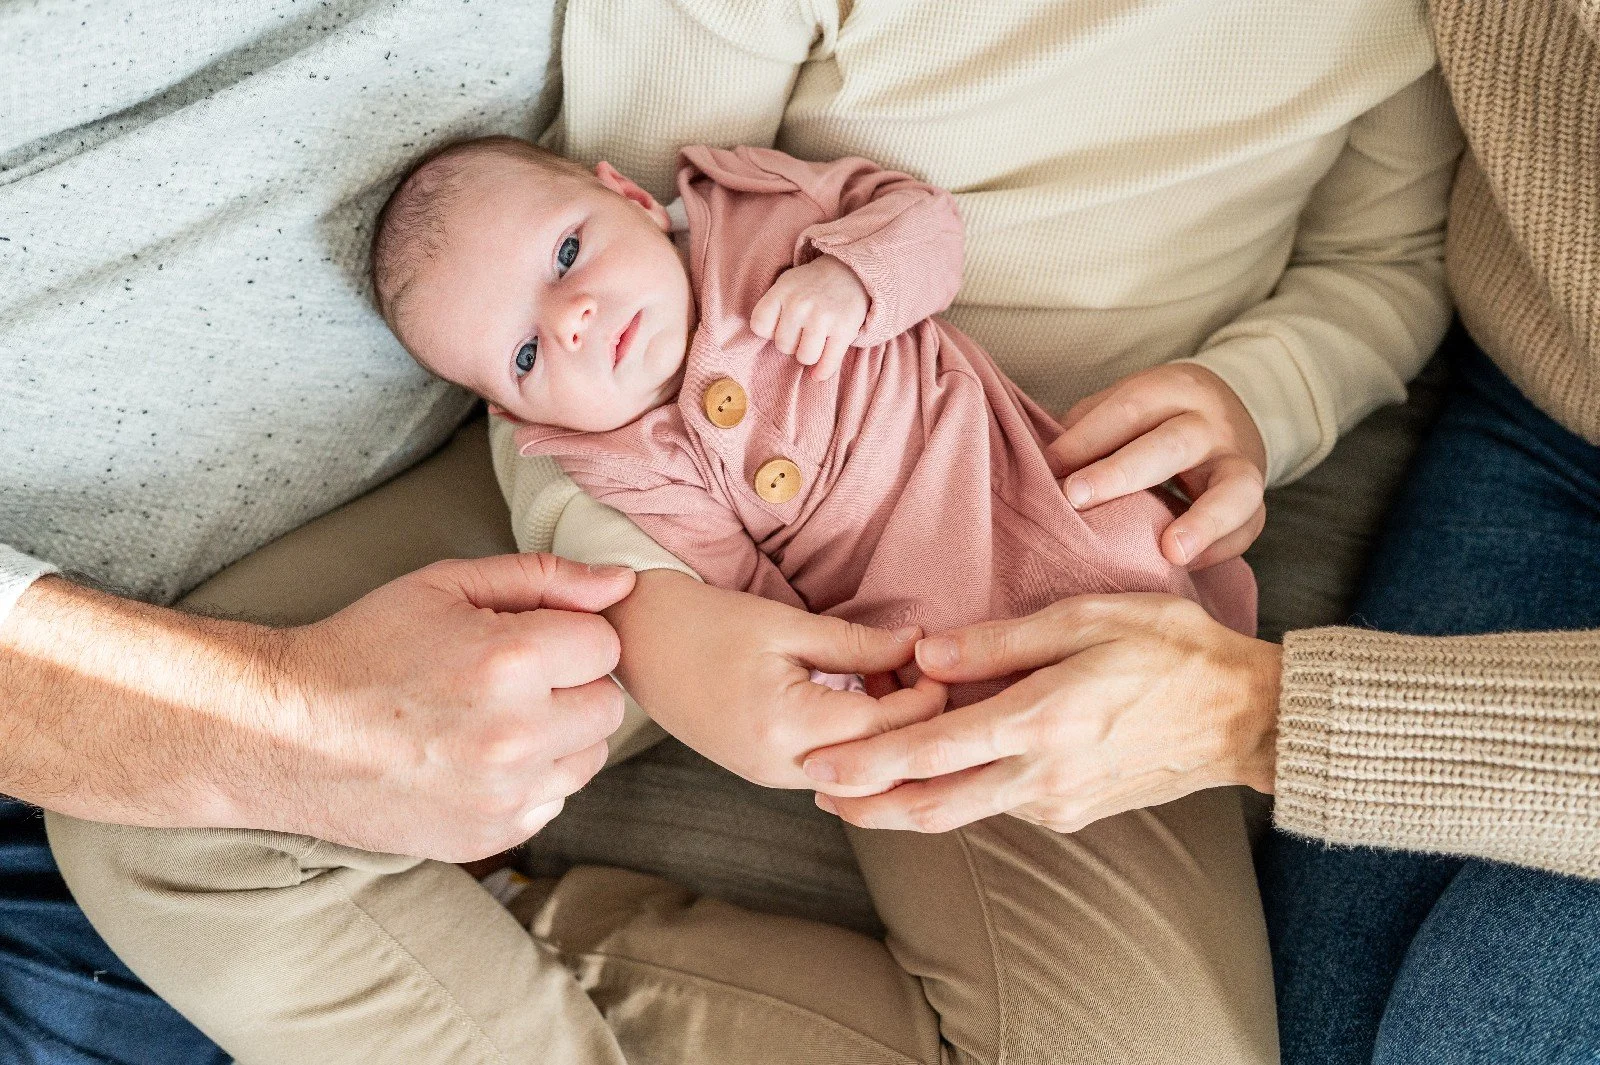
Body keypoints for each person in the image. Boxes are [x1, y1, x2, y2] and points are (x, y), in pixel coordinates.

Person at [787, 1, 1600, 1061]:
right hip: (1552, 398)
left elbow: (1374, 259)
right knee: (1333, 1024)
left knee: (1456, 1034)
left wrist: (1257, 717)